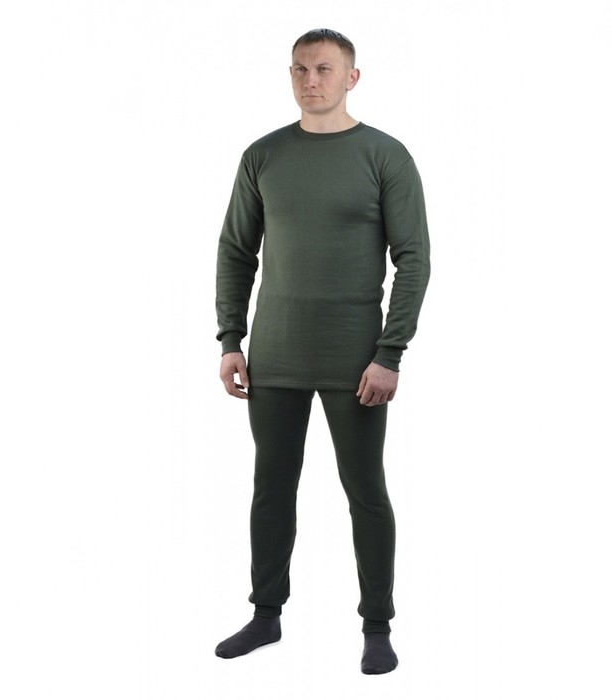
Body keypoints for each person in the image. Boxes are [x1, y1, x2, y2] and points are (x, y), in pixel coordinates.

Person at [214, 28, 430, 675]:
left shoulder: (385, 156)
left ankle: (377, 624)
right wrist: (231, 339)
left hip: (356, 361)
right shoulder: (262, 156)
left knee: (365, 489)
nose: (312, 80)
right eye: (301, 69)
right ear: (291, 75)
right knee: (271, 487)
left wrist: (390, 353)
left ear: (351, 78)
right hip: (274, 355)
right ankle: (266, 615)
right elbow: (235, 251)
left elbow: (414, 259)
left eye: (325, 69)